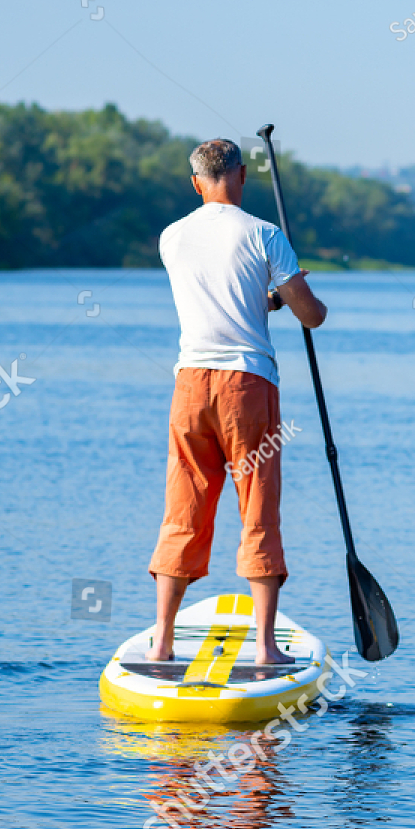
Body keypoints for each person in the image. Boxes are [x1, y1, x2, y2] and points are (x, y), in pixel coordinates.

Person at [146, 138, 327, 665]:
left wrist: (266, 300)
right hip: (246, 386)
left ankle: (162, 640)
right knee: (258, 508)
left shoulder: (171, 237)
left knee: (183, 509)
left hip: (189, 385)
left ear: (195, 183)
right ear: (242, 176)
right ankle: (266, 649)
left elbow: (221, 300)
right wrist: (297, 297)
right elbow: (310, 315)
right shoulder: (266, 234)